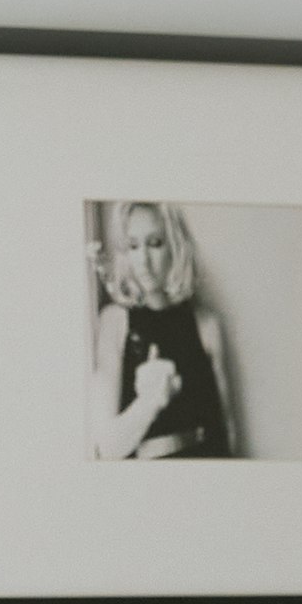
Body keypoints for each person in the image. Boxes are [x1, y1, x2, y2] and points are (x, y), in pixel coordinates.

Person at [88, 198, 240, 461]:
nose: (143, 260)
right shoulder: (115, 321)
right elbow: (108, 448)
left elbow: (228, 435)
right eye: (133, 246)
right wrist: (150, 401)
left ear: (175, 246)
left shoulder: (207, 324)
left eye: (155, 243)